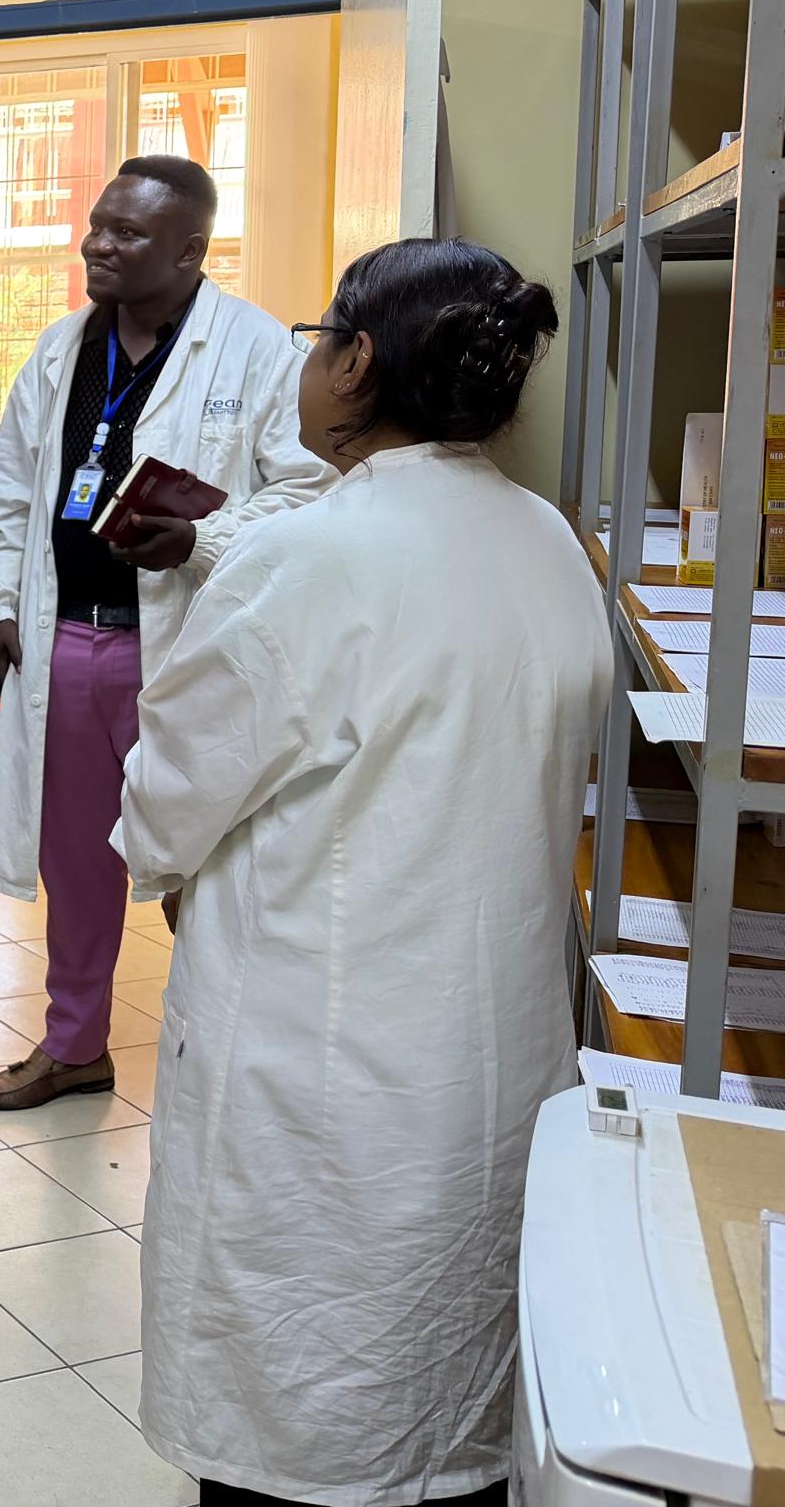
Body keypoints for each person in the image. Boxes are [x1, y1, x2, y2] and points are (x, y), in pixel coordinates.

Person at [116, 239, 606, 1507]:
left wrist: (173, 870)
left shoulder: (308, 559)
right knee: (448, 1384)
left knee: (307, 1406)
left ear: (355, 363)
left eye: (317, 335)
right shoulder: (550, 541)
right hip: (488, 1057)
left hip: (323, 1074)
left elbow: (166, 806)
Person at [0, 156, 330, 1111]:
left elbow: (307, 490)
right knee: (77, 862)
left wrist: (202, 540)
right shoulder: (60, 351)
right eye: (97, 225)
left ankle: (231, 1067)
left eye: (126, 234)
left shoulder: (255, 351)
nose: (98, 245)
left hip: (190, 650)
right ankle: (74, 1045)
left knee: (207, 865)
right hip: (66, 646)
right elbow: (14, 502)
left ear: (190, 251)